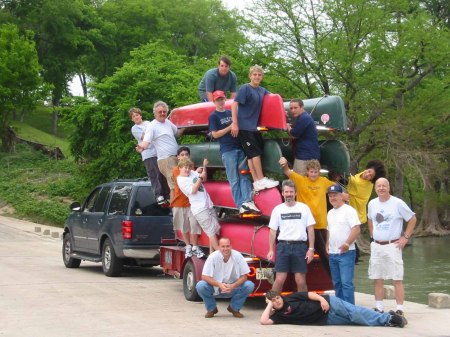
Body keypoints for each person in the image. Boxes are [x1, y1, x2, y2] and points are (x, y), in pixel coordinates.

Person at [367, 177, 417, 316]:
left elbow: (412, 219)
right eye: (379, 186)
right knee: (377, 278)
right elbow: (370, 219)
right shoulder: (372, 203)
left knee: (397, 278)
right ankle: (379, 306)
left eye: (384, 186)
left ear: (388, 187)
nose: (381, 188)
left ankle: (400, 308)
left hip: (393, 245)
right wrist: (372, 236)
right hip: (377, 246)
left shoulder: (397, 203)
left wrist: (405, 237)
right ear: (375, 188)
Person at [279, 157, 335, 275]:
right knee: (300, 255)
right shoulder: (300, 180)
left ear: (319, 172)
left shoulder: (324, 181)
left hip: (320, 226)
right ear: (307, 172)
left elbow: (337, 190)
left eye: (316, 172)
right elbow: (287, 171)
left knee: (326, 255)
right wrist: (284, 163)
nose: (313, 174)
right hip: (303, 227)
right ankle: (295, 279)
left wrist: (344, 196)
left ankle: (334, 279)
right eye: (311, 171)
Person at [208, 90, 261, 215]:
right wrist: (230, 126)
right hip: (227, 150)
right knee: (234, 179)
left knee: (244, 175)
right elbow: (215, 134)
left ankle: (247, 202)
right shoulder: (213, 116)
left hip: (239, 148)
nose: (220, 101)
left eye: (222, 99)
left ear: (225, 99)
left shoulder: (230, 112)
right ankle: (239, 205)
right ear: (214, 101)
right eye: (218, 99)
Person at [231, 64, 279, 192]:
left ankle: (257, 181)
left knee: (252, 155)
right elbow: (234, 105)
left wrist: (281, 111)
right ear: (250, 76)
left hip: (253, 127)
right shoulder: (245, 88)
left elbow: (273, 98)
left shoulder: (262, 90)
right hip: (244, 127)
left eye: (259, 75)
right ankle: (261, 178)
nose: (257, 77)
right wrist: (235, 123)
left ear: (262, 77)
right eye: (254, 74)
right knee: (255, 153)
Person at [260, 290, 407, 328]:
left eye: (277, 298)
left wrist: (322, 299)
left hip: (329, 303)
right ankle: (386, 318)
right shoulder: (279, 316)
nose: (277, 301)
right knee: (356, 320)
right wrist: (269, 305)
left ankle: (390, 319)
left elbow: (309, 294)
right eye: (273, 301)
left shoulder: (290, 297)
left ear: (281, 296)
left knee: (355, 313)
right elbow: (264, 321)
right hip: (326, 319)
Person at [267, 180, 315, 292]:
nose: (289, 194)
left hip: (300, 247)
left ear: (295, 193)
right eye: (286, 192)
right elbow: (272, 231)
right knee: (279, 279)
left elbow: (310, 229)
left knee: (301, 281)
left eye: (291, 191)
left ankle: (303, 306)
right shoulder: (277, 210)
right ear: (282, 193)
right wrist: (270, 249)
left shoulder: (304, 208)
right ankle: (271, 306)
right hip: (283, 247)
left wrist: (311, 249)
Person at [196, 237, 255, 318]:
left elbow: (245, 276)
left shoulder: (238, 256)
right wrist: (219, 284)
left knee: (249, 285)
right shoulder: (213, 257)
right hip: (215, 286)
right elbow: (204, 276)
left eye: (227, 246)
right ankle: (211, 309)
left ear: (231, 246)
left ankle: (234, 308)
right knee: (200, 286)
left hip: (233, 286)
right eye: (223, 246)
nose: (225, 249)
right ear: (219, 247)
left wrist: (233, 285)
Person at [136, 101, 184, 202]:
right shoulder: (152, 126)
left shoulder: (168, 122)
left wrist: (188, 125)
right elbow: (146, 142)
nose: (162, 113)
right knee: (174, 185)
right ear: (155, 113)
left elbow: (178, 133)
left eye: (164, 111)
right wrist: (142, 147)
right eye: (160, 112)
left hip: (176, 157)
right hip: (165, 160)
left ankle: (179, 206)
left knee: (180, 183)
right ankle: (176, 209)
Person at [326, 184, 361, 304]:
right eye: (330, 196)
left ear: (341, 196)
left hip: (346, 252)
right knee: (336, 283)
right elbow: (329, 230)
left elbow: (356, 228)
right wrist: (327, 245)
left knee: (346, 283)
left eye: (335, 195)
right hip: (333, 253)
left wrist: (347, 243)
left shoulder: (349, 211)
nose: (332, 198)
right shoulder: (330, 213)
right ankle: (341, 308)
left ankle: (350, 309)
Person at [176, 157, 220, 251]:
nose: (187, 170)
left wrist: (204, 166)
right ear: (179, 168)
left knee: (214, 231)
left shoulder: (192, 173)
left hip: (208, 205)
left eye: (188, 167)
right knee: (211, 231)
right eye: (185, 167)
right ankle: (220, 254)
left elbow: (204, 178)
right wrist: (199, 177)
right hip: (199, 209)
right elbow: (193, 190)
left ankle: (212, 254)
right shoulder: (180, 180)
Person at [129, 107, 170, 204]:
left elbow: (158, 130)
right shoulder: (135, 128)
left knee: (162, 173)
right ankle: (159, 195)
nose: (136, 117)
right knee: (154, 174)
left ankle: (167, 194)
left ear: (140, 115)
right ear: (132, 119)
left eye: (137, 115)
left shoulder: (148, 123)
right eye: (134, 116)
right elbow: (145, 137)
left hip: (158, 152)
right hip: (148, 154)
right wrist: (152, 131)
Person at [171, 146, 204, 258]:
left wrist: (197, 171)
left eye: (186, 154)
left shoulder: (191, 168)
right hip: (179, 202)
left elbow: (197, 179)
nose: (184, 156)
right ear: (178, 157)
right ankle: (188, 246)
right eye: (182, 154)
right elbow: (186, 178)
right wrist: (195, 172)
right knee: (184, 225)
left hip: (192, 203)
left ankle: (195, 246)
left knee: (194, 224)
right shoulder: (176, 170)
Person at [347, 160, 386, 224]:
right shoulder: (361, 174)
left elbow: (353, 184)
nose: (367, 174)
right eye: (369, 171)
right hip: (348, 211)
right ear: (367, 168)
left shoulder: (368, 185)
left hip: (357, 217)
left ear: (372, 179)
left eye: (370, 176)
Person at [287, 99, 320, 175]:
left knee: (298, 181)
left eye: (295, 108)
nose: (293, 110)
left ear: (302, 107)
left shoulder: (304, 118)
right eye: (291, 108)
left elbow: (294, 134)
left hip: (305, 158)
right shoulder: (303, 118)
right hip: (310, 156)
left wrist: (288, 127)